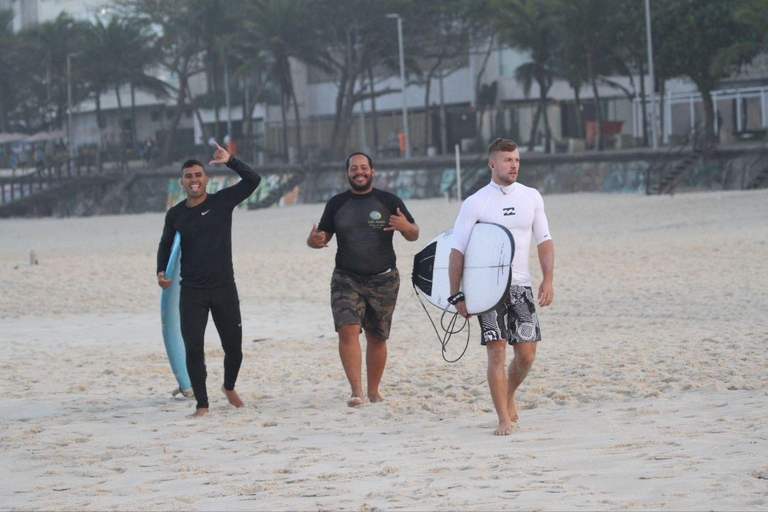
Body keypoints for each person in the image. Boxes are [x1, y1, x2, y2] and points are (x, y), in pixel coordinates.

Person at [448, 138, 554, 436]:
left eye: (517, 159)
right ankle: (502, 419)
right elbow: (457, 250)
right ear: (492, 164)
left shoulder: (531, 197)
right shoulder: (476, 202)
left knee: (526, 356)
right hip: (487, 289)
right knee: (497, 353)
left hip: (521, 286)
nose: (514, 164)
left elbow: (544, 241)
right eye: (508, 160)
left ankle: (508, 394)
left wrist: (548, 279)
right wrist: (456, 293)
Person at [156, 142, 261, 418]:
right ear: (182, 182)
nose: (194, 180)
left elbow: (253, 180)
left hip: (224, 287)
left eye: (198, 175)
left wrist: (231, 161)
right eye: (189, 176)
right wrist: (161, 271)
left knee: (234, 348)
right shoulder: (176, 214)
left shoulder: (222, 202)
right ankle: (202, 404)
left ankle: (228, 387)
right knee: (194, 348)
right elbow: (165, 244)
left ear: (206, 180)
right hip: (191, 291)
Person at [307, 152, 419, 407]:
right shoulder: (336, 204)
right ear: (347, 173)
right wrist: (313, 241)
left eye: (363, 168)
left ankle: (374, 391)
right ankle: (356, 391)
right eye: (354, 168)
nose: (359, 172)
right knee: (347, 329)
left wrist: (405, 227)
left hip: (384, 279)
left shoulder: (388, 200)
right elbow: (320, 238)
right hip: (346, 278)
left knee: (377, 337)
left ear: (372, 171)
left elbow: (413, 234)